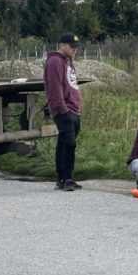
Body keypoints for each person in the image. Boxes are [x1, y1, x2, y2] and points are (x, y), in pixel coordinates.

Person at [44, 33, 83, 191]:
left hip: (74, 109)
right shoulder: (55, 61)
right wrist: (62, 109)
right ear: (62, 45)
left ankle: (64, 178)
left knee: (64, 143)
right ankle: (66, 178)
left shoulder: (68, 62)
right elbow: (55, 88)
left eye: (76, 47)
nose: (75, 50)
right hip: (64, 109)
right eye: (71, 47)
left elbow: (72, 85)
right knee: (69, 143)